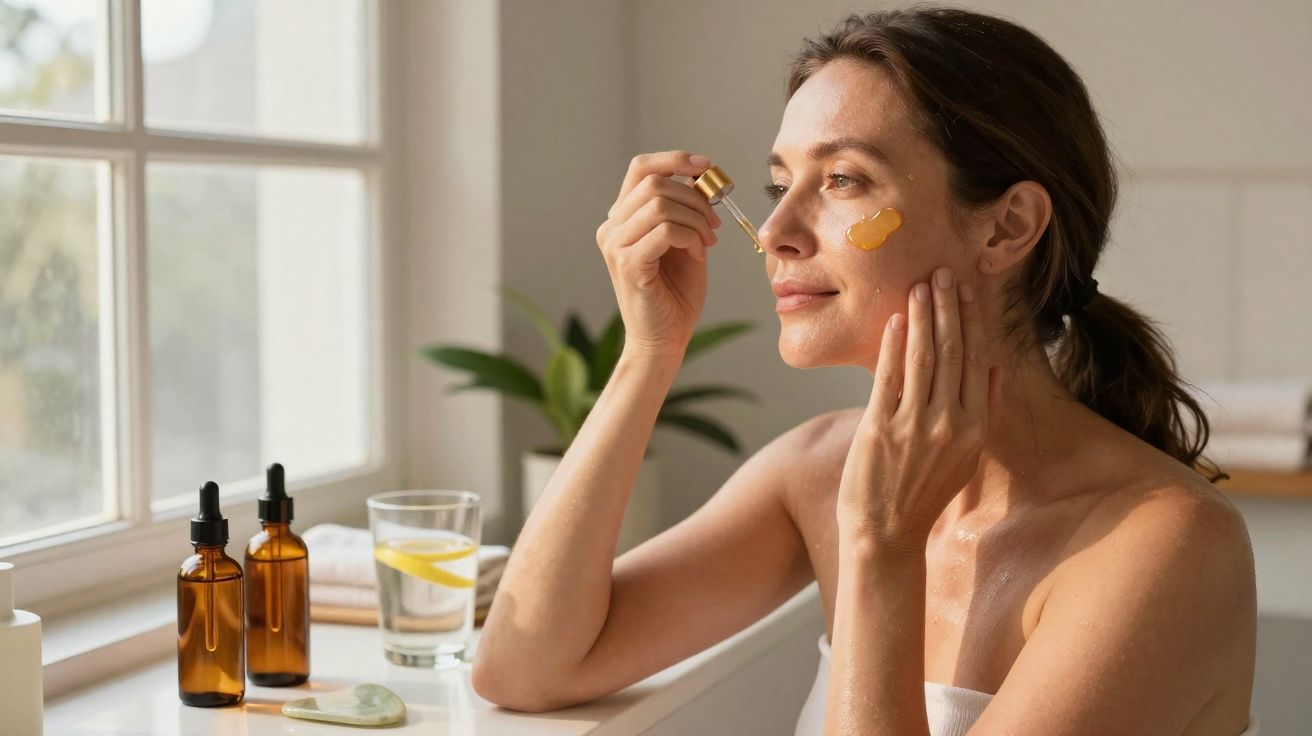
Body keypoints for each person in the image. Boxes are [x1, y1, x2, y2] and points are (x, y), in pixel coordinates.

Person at [472, 6, 1258, 734]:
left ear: (1007, 226)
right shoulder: (819, 472)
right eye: (780, 185)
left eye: (842, 180)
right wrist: (648, 355)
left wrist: (882, 546)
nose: (774, 231)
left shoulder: (1166, 545)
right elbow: (524, 669)